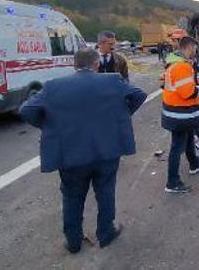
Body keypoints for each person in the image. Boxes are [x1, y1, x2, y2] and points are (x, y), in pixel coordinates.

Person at [19, 48, 147, 253]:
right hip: (106, 149)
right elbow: (139, 95)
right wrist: (118, 118)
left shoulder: (53, 86)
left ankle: (73, 241)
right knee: (105, 191)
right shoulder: (112, 80)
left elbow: (26, 110)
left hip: (71, 153)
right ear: (96, 64)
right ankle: (106, 233)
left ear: (74, 64)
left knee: (72, 196)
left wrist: (51, 126)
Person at [162, 36, 199, 193]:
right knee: (177, 147)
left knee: (189, 136)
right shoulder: (182, 66)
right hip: (180, 115)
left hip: (178, 113)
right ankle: (172, 182)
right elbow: (188, 93)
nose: (195, 52)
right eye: (194, 49)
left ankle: (194, 163)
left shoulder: (173, 63)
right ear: (189, 47)